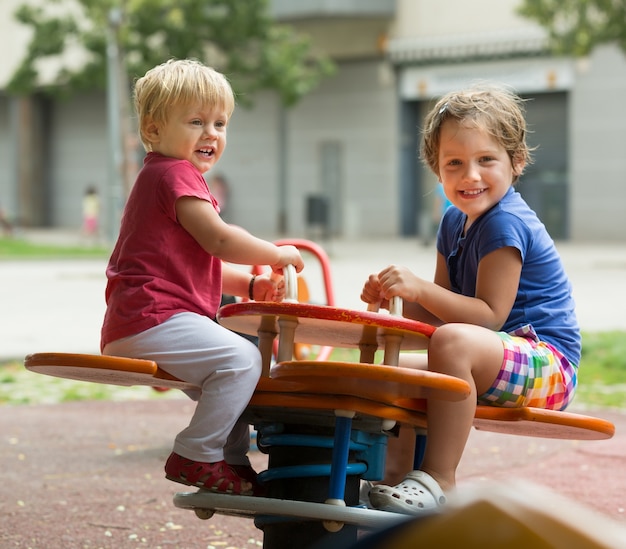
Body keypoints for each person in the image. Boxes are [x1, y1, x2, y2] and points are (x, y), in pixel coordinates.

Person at [359, 85, 580, 515]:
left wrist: (420, 287)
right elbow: (442, 313)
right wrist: (396, 299)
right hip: (494, 352)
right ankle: (394, 479)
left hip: (548, 364)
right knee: (390, 370)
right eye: (454, 163)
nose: (470, 176)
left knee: (455, 344)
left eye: (486, 160)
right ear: (436, 170)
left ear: (516, 163)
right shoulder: (453, 221)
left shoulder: (505, 224)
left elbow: (487, 317)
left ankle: (439, 480)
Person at [100, 59, 304, 496]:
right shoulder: (174, 175)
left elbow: (200, 260)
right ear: (153, 130)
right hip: (152, 318)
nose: (211, 133)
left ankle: (227, 461)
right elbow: (219, 240)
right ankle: (196, 453)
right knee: (242, 361)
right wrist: (275, 253)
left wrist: (250, 287)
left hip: (145, 319)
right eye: (195, 121)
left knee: (237, 372)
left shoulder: (168, 177)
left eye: (220, 123)